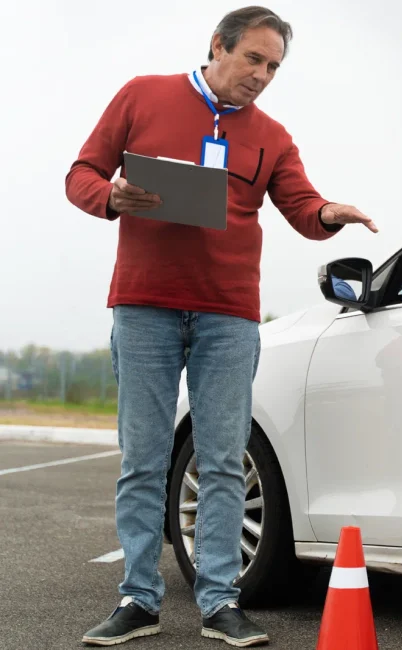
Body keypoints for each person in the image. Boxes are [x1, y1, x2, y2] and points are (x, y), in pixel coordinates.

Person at [65, 7, 376, 647]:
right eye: (253, 59)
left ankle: (219, 602)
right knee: (145, 459)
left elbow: (301, 206)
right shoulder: (142, 95)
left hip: (229, 315)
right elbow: (80, 175)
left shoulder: (273, 135)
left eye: (273, 67)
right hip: (145, 306)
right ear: (218, 46)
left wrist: (329, 213)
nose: (262, 75)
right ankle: (139, 599)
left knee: (224, 461)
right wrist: (112, 196)